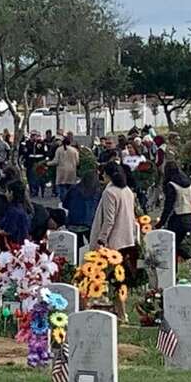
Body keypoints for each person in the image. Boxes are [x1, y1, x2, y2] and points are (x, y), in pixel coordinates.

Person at [89, 163, 139, 322]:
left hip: (113, 243)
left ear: (109, 175)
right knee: (120, 280)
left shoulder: (110, 192)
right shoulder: (127, 191)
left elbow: (109, 220)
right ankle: (119, 312)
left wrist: (101, 240)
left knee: (104, 278)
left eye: (103, 174)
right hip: (128, 240)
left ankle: (116, 312)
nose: (101, 176)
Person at [155, 162, 191, 257]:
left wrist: (161, 223)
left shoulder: (171, 185)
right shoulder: (188, 183)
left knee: (172, 245)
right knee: (182, 245)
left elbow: (168, 206)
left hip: (177, 218)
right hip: (189, 215)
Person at [62, 168, 102, 246]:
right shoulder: (97, 192)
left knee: (77, 245)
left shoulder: (74, 188)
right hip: (89, 223)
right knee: (93, 244)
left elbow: (65, 204)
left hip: (72, 222)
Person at [0, 180, 32, 248]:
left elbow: (9, 231)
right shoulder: (22, 207)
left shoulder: (13, 211)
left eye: (7, 191)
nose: (5, 194)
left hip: (15, 245)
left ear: (11, 193)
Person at [52, 136, 79, 201]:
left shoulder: (59, 149)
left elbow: (56, 161)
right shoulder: (74, 150)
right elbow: (77, 162)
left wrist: (47, 163)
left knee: (62, 189)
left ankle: (63, 202)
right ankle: (69, 202)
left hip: (61, 173)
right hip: (71, 172)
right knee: (70, 189)